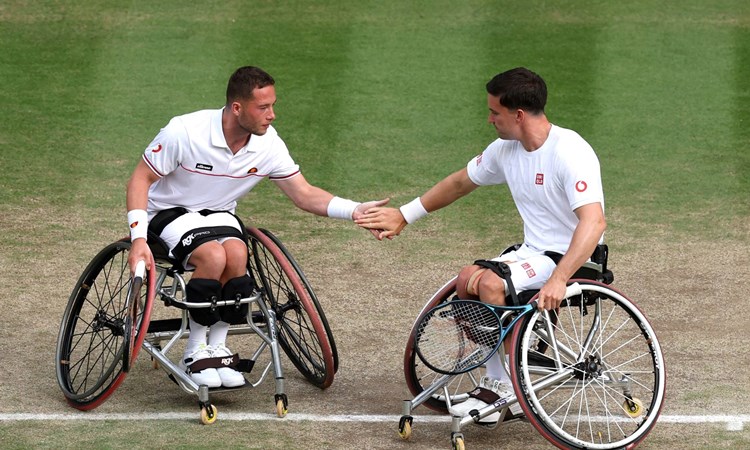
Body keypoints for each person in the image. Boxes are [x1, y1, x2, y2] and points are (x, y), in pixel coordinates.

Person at [356, 67, 606, 424]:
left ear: (518, 115)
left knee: (490, 283)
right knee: (467, 279)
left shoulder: (570, 152)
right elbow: (460, 182)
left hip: (575, 258)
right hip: (533, 252)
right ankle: (502, 378)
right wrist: (404, 216)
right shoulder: (506, 150)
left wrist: (560, 278)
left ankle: (506, 387)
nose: (489, 119)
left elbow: (594, 222)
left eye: (494, 112)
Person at [126, 66, 387, 389]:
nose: (272, 115)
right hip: (167, 212)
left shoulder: (268, 145)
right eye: (263, 107)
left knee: (237, 254)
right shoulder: (185, 131)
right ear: (237, 108)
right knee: (213, 257)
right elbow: (141, 179)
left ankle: (216, 348)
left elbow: (303, 194)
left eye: (273, 105)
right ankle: (194, 353)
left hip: (218, 213)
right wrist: (138, 239)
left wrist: (355, 211)